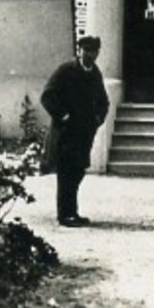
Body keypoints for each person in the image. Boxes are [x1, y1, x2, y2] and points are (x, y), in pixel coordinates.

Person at [40, 34, 110, 227]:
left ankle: (72, 212)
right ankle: (64, 215)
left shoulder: (95, 73)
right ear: (79, 51)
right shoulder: (66, 71)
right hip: (65, 133)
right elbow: (47, 96)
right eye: (86, 50)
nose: (90, 54)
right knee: (66, 173)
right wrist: (62, 115)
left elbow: (104, 101)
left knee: (77, 172)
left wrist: (98, 119)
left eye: (94, 51)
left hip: (84, 134)